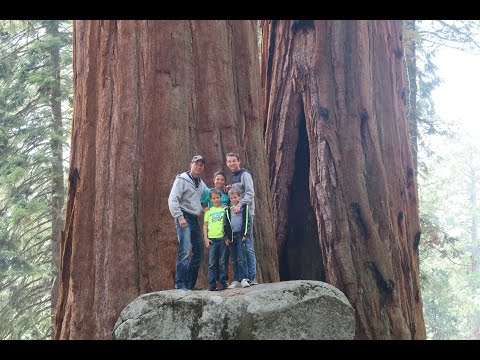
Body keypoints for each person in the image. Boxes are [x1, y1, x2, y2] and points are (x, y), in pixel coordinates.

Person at [168, 155, 208, 291]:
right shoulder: (182, 180)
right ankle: (180, 284)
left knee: (199, 251)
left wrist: (223, 190)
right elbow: (173, 199)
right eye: (196, 164)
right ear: (191, 164)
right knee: (185, 250)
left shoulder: (200, 184)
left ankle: (190, 284)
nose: (198, 167)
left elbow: (210, 194)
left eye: (201, 165)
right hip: (183, 216)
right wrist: (179, 217)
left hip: (194, 218)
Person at [225, 152, 258, 286]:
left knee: (248, 247)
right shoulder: (233, 177)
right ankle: (241, 278)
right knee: (238, 251)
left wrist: (239, 205)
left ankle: (252, 277)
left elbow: (250, 193)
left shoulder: (245, 174)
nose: (232, 163)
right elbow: (236, 193)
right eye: (229, 161)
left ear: (239, 161)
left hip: (246, 215)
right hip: (235, 217)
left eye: (234, 161)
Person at [224, 186, 252, 288]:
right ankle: (236, 280)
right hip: (231, 237)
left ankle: (244, 278)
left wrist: (245, 234)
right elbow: (225, 224)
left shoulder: (244, 208)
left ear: (239, 197)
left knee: (241, 258)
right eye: (231, 198)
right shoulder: (227, 210)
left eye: (235, 197)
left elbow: (248, 222)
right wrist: (226, 237)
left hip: (241, 236)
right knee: (234, 259)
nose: (233, 200)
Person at [203, 189, 229, 291]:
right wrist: (206, 238)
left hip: (222, 239)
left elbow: (228, 224)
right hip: (212, 240)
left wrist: (227, 237)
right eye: (214, 198)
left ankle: (222, 282)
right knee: (212, 263)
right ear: (210, 199)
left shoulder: (224, 209)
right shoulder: (209, 211)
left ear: (221, 198)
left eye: (218, 197)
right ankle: (212, 283)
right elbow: (205, 226)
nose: (216, 200)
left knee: (223, 261)